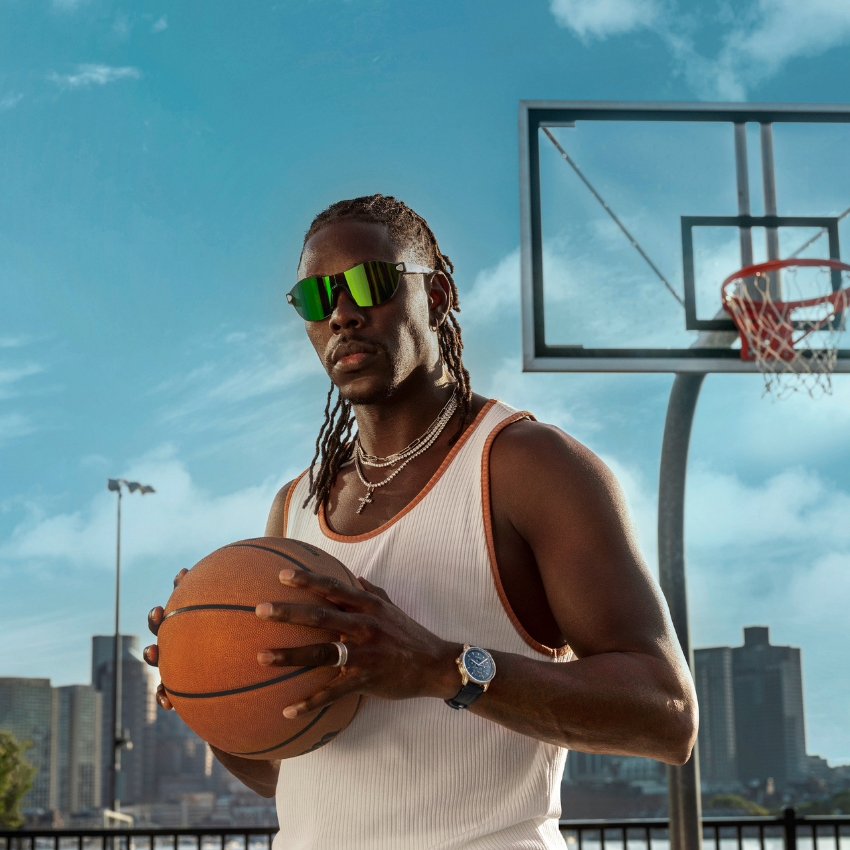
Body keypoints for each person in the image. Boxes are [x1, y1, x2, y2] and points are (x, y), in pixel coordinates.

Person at [144, 194, 698, 850]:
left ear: (435, 296)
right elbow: (287, 771)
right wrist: (210, 692)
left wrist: (442, 667)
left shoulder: (527, 466)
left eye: (367, 284)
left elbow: (666, 717)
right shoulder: (295, 506)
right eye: (317, 299)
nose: (342, 314)